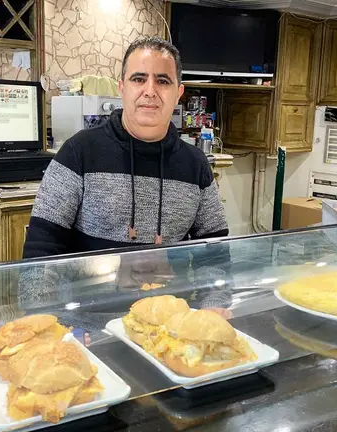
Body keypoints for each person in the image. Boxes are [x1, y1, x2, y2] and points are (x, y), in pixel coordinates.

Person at [17, 37, 233, 329]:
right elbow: (41, 252)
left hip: (169, 328)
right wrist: (48, 325)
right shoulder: (79, 153)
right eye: (139, 79)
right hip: (88, 328)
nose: (150, 91)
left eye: (163, 81)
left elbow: (215, 253)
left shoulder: (196, 165)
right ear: (122, 87)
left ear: (178, 92)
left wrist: (212, 308)